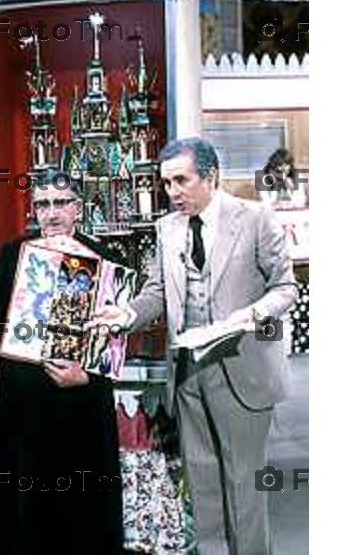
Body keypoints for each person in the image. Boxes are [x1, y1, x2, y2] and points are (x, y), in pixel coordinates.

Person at [90, 138, 298, 555]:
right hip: (187, 375)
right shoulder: (167, 228)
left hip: (242, 371)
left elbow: (285, 287)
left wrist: (253, 315)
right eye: (166, 183)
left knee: (244, 488)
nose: (173, 192)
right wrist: (126, 315)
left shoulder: (255, 218)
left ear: (211, 176)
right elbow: (155, 294)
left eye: (181, 181)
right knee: (201, 487)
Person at [0, 171, 123, 555]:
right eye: (43, 204)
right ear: (35, 210)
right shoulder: (14, 252)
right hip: (23, 402)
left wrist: (87, 376)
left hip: (82, 402)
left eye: (61, 203)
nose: (51, 213)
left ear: (77, 209)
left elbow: (115, 341)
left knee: (82, 509)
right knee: (22, 507)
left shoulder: (105, 258)